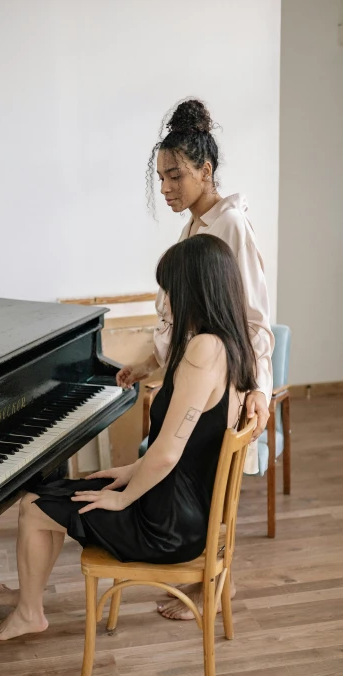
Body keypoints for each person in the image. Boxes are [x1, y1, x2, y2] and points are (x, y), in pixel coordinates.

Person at [0, 234, 256, 641]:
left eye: (169, 288)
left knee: (34, 506)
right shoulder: (230, 346)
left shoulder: (203, 350)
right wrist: (130, 471)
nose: (165, 300)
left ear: (193, 289)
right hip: (181, 510)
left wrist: (124, 496)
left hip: (166, 527)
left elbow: (166, 454)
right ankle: (29, 597)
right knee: (59, 491)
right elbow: (187, 448)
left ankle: (30, 611)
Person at [116, 99, 274, 619]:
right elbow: (180, 319)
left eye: (175, 176)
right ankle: (191, 566)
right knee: (191, 464)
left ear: (206, 170)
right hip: (207, 369)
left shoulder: (231, 226)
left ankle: (207, 584)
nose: (166, 189)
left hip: (230, 375)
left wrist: (257, 388)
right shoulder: (196, 225)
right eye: (161, 178)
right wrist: (145, 365)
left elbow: (252, 320)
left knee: (210, 470)